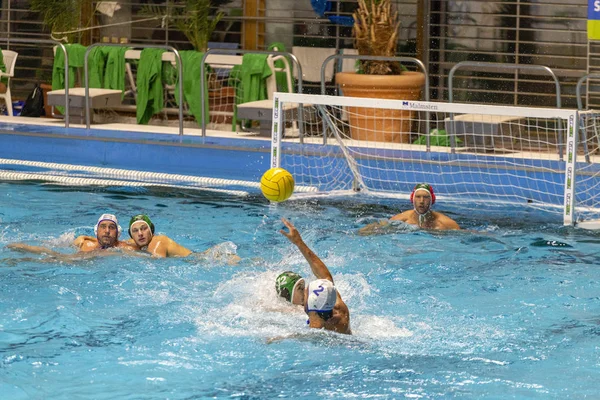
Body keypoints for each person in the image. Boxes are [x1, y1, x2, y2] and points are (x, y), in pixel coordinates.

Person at [275, 217, 351, 335]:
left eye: (306, 293)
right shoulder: (339, 309)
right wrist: (299, 242)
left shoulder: (317, 331)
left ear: (310, 308)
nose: (304, 290)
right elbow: (325, 277)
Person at [7, 213, 135, 259]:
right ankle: (22, 250)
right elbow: (56, 244)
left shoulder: (126, 248)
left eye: (111, 228)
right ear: (96, 231)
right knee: (54, 255)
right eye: (103, 227)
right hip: (76, 259)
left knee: (57, 259)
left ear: (118, 233)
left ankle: (23, 259)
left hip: (82, 262)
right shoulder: (84, 243)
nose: (107, 231)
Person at [126, 214, 241, 263]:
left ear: (151, 231)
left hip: (204, 260)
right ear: (131, 235)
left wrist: (123, 253)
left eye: (144, 229)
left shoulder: (158, 241)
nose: (140, 233)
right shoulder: (136, 242)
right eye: (135, 231)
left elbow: (154, 261)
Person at [359, 183, 460, 234]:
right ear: (412, 199)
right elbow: (378, 227)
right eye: (418, 197)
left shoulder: (446, 224)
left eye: (425, 197)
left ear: (432, 200)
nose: (421, 201)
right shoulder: (402, 219)